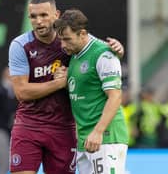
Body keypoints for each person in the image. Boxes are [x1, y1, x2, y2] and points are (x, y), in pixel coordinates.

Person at [8, 0, 124, 174]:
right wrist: (59, 83)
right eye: (33, 16)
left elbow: (97, 50)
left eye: (44, 15)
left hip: (64, 128)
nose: (38, 21)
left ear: (56, 15)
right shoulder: (21, 45)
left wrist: (117, 50)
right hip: (29, 125)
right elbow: (21, 92)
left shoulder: (72, 38)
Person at [53, 9, 128, 174]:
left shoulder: (104, 54)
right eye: (61, 40)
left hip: (105, 137)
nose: (63, 45)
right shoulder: (75, 55)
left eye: (67, 39)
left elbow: (115, 96)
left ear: (82, 34)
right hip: (84, 139)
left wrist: (98, 131)